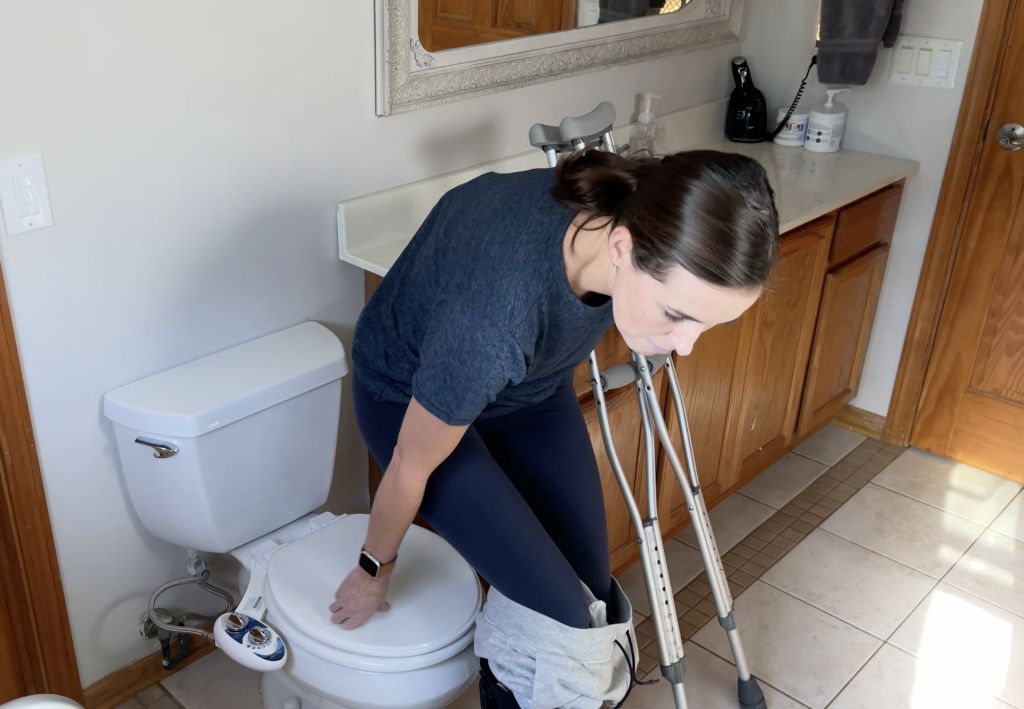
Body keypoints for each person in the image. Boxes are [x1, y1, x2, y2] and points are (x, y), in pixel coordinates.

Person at [331, 148, 779, 708]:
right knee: (561, 621)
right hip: (406, 392)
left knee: (592, 597)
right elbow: (409, 464)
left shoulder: (635, 207)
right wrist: (374, 569)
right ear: (623, 248)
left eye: (707, 324)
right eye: (678, 315)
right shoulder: (493, 321)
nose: (685, 346)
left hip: (528, 388)